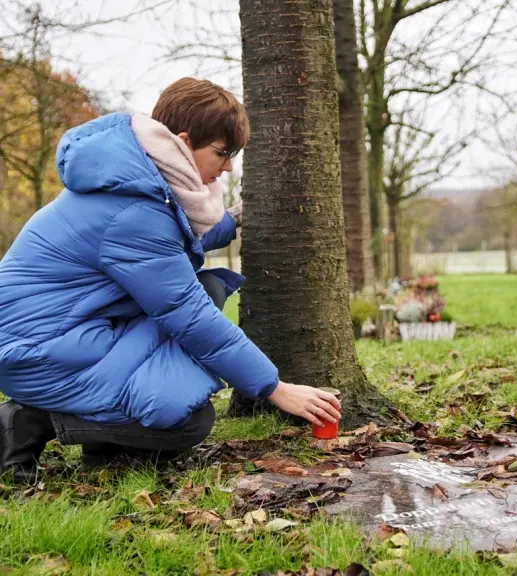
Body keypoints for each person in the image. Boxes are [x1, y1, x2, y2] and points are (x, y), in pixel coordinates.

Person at [0, 77, 341, 482]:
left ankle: (105, 444)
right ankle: (31, 421)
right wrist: (274, 388)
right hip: (38, 352)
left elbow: (172, 236)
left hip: (68, 335)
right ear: (183, 141)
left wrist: (232, 219)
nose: (229, 165)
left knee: (205, 297)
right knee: (187, 420)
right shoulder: (134, 212)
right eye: (222, 152)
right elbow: (188, 313)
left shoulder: (131, 180)